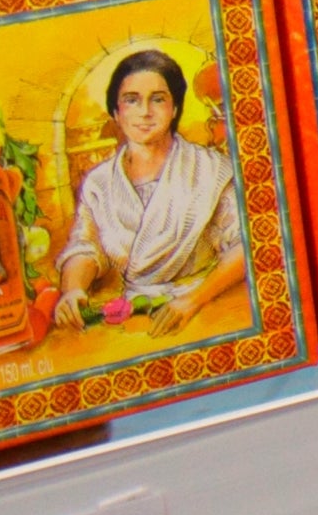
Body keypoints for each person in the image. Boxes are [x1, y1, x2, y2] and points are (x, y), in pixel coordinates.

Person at [55, 48, 246, 338]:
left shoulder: (211, 170)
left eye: (158, 99)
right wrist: (73, 290)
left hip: (207, 312)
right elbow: (86, 246)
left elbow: (245, 247)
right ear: (116, 113)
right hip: (133, 320)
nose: (145, 112)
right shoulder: (99, 183)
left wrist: (192, 301)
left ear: (175, 109)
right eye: (132, 100)